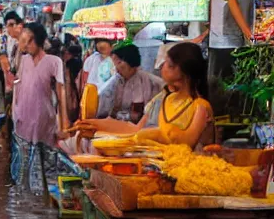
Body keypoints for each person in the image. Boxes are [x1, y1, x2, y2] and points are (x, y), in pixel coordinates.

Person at [74, 42, 213, 150]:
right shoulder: (163, 98)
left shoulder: (200, 106)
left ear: (184, 74)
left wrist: (156, 135)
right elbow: (136, 129)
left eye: (169, 65)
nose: (162, 67)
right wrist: (95, 124)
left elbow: (187, 143)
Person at [13, 22, 69, 147]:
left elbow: (61, 94)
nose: (26, 45)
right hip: (23, 120)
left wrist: (64, 126)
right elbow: (19, 88)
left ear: (39, 41)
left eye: (30, 41)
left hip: (44, 120)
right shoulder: (24, 60)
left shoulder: (54, 62)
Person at [94, 43, 164, 124]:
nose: (116, 68)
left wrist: (118, 116)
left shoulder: (147, 80)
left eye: (119, 62)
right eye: (115, 63)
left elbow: (138, 114)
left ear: (130, 61)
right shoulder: (118, 79)